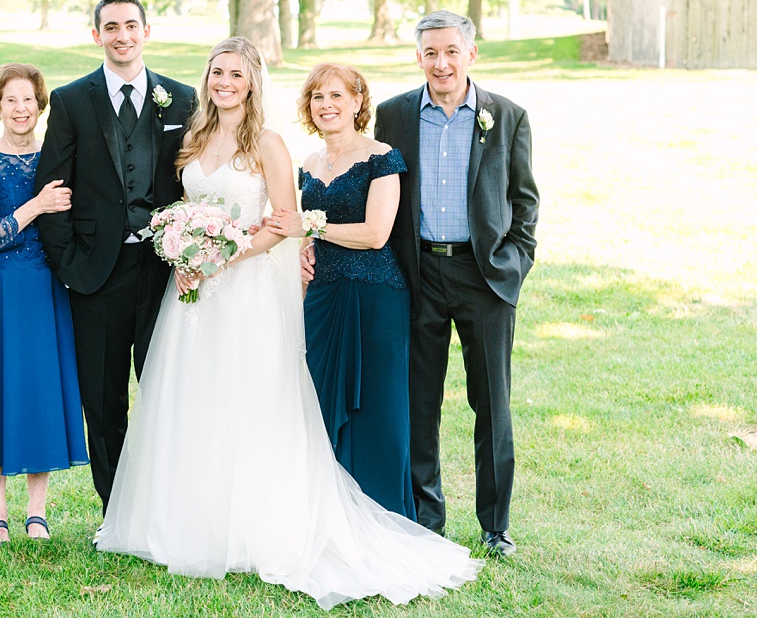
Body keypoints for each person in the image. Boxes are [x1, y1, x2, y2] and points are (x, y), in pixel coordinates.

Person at [97, 37, 481, 609]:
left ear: (252, 81)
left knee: (250, 402)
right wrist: (183, 257)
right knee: (193, 401)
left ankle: (252, 525)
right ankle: (189, 522)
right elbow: (180, 212)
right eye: (216, 72)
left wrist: (220, 258)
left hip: (243, 288)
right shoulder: (190, 140)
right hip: (193, 295)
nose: (224, 82)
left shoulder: (269, 145)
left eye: (236, 73)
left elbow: (283, 223)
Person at [370, 10, 537, 555]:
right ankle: (425, 515)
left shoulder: (506, 116)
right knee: (419, 399)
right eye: (430, 53)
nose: (441, 63)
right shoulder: (393, 115)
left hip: (483, 277)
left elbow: (524, 202)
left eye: (450, 52)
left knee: (491, 403)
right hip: (417, 274)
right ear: (418, 57)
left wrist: (512, 264)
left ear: (471, 54)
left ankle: (495, 525)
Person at [36, 0, 197, 507]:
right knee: (103, 402)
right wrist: (66, 262)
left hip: (162, 268)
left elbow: (193, 176)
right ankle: (116, 509)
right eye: (111, 27)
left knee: (165, 390)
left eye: (131, 25)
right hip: (94, 273)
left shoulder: (182, 96)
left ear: (146, 31)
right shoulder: (71, 99)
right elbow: (53, 184)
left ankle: (166, 503)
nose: (122, 35)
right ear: (96, 35)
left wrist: (191, 248)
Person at [0, 62, 91, 544]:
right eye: (11, 100)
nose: (21, 108)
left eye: (29, 99)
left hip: (44, 288)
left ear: (41, 104)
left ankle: (36, 511)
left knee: (36, 390)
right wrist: (36, 206)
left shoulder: (55, 159)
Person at [291, 62, 415, 519]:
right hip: (323, 295)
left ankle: (382, 512)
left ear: (358, 102)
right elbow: (306, 234)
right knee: (320, 399)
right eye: (318, 97)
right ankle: (329, 513)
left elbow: (376, 233)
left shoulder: (382, 157)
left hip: (374, 295)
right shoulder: (307, 164)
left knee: (377, 407)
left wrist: (310, 227)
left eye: (337, 96)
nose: (327, 106)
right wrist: (305, 248)